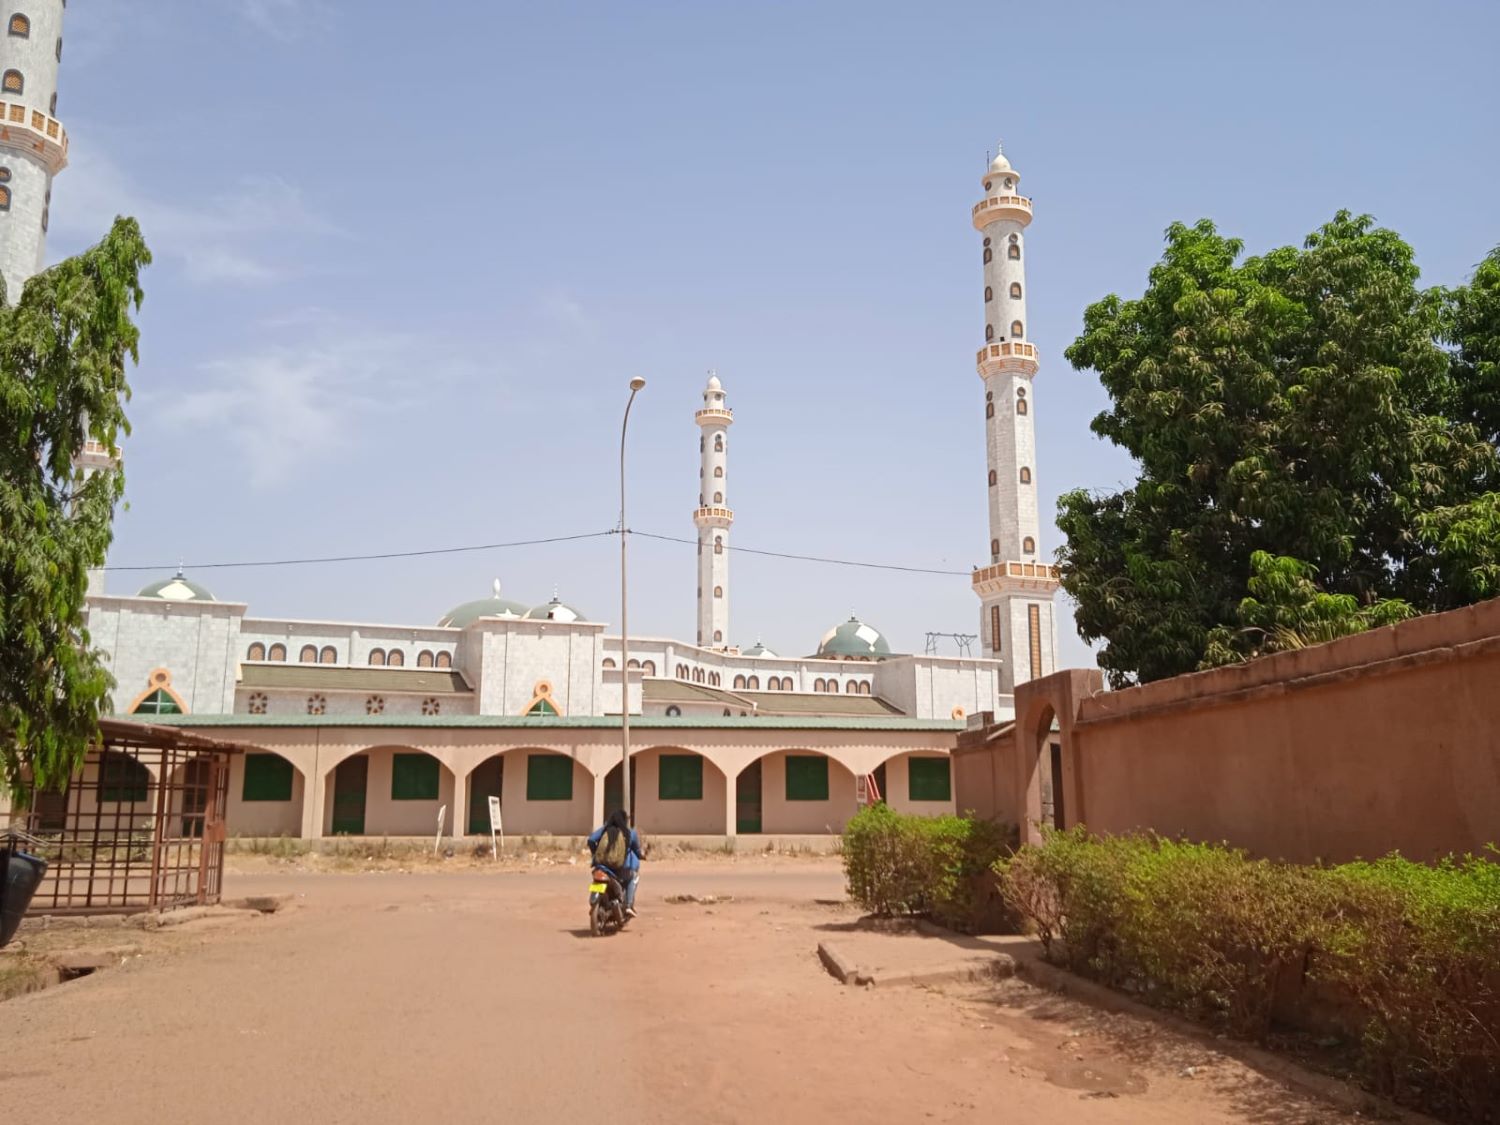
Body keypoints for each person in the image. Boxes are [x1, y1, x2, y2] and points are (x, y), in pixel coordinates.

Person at [587, 809, 643, 917]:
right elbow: (637, 850)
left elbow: (591, 840)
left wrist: (596, 853)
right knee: (633, 877)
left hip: (601, 867)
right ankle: (628, 905)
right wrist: (641, 855)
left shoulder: (605, 830)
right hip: (619, 870)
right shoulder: (629, 833)